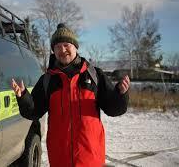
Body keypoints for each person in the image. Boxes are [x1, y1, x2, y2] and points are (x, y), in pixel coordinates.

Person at [11, 23, 130, 167]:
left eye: (66, 45)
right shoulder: (48, 80)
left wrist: (120, 94)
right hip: (60, 157)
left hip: (90, 157)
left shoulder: (94, 75)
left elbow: (113, 109)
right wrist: (23, 96)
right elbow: (34, 112)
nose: (62, 50)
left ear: (75, 47)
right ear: (53, 51)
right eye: (57, 47)